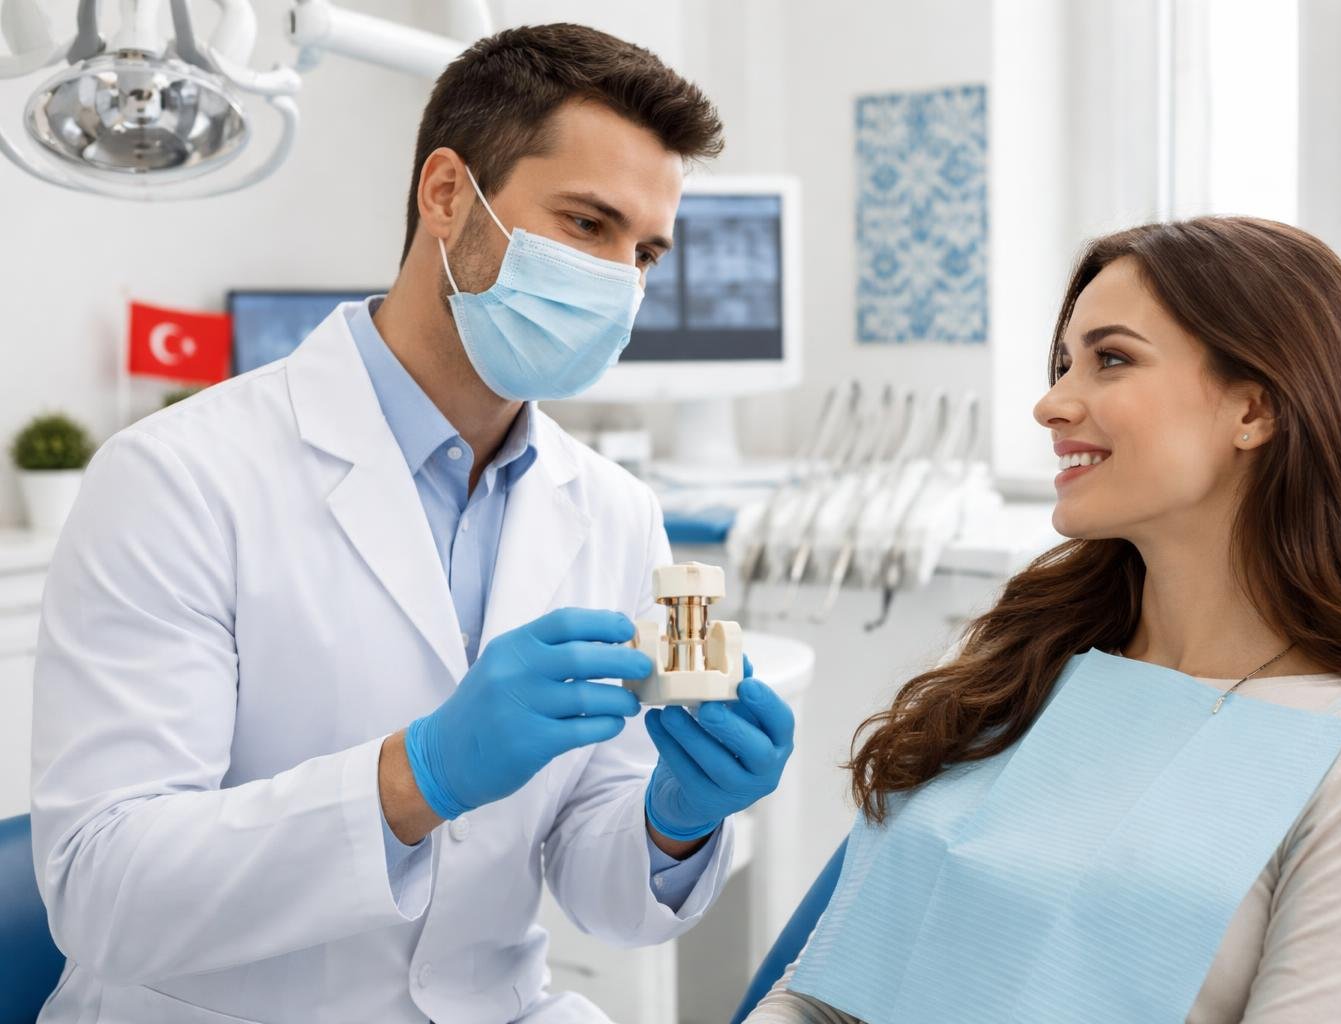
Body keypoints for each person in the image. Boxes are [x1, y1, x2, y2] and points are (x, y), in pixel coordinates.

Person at [30, 23, 794, 1024]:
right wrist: (412, 777)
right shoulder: (176, 479)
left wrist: (675, 820)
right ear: (446, 195)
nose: (622, 284)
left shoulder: (612, 511)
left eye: (644, 250)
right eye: (586, 224)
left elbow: (599, 888)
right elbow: (101, 892)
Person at [746, 217, 1341, 1023]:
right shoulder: (1021, 669)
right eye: (1064, 363)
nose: (1052, 403)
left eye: (1112, 359)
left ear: (1254, 411)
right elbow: (821, 993)